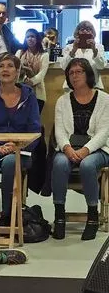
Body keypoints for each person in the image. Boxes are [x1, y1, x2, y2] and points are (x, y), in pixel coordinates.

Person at [0, 54, 41, 225]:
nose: (5, 69)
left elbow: (35, 131)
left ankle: (8, 216)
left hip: (21, 149)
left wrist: (16, 146)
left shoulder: (29, 97)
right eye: (1, 66)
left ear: (18, 71)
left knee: (10, 163)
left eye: (10, 66)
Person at [52, 58, 109, 241]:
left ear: (88, 74)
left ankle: (92, 215)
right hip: (69, 147)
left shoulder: (104, 99)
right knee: (59, 163)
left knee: (87, 165)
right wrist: (67, 148)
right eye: (71, 73)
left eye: (79, 72)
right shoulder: (62, 101)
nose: (75, 76)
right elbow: (59, 131)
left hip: (98, 148)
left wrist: (85, 150)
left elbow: (103, 132)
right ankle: (59, 215)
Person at [61, 20, 106, 89]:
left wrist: (94, 50)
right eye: (82, 30)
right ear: (77, 33)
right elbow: (64, 66)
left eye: (88, 29)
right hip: (72, 86)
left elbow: (101, 66)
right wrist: (73, 51)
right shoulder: (69, 47)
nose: (85, 31)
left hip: (94, 86)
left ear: (92, 33)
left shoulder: (99, 47)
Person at [16, 28, 49, 113]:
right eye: (27, 37)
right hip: (20, 92)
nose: (30, 39)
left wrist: (31, 81)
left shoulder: (44, 55)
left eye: (32, 36)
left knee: (34, 121)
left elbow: (42, 74)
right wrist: (24, 80)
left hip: (38, 93)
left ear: (37, 39)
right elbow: (15, 70)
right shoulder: (20, 53)